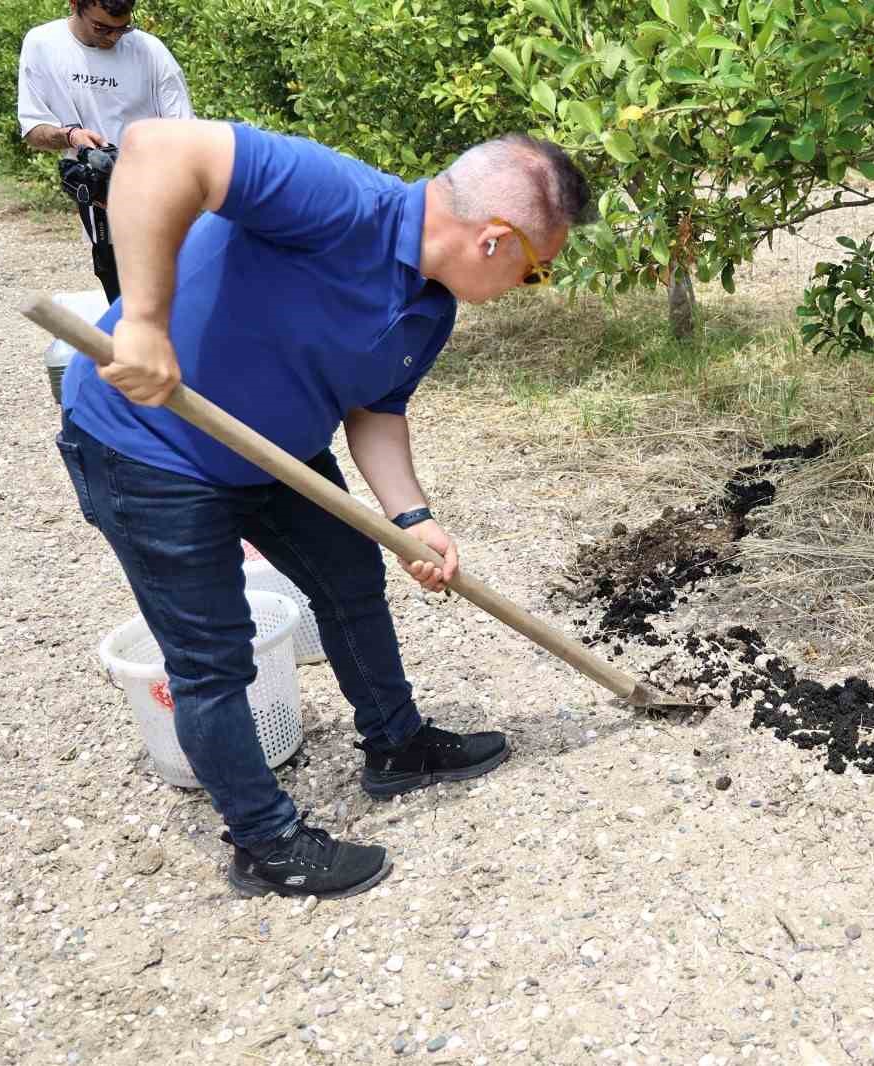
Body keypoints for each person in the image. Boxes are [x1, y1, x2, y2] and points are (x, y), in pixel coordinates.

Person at [53, 116, 591, 900]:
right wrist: (142, 321)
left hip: (278, 452)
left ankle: (397, 746)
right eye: (536, 273)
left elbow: (375, 411)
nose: (525, 291)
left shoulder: (430, 307)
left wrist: (412, 519)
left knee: (349, 578)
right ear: (495, 242)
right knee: (213, 656)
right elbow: (156, 149)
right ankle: (265, 842)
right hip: (149, 446)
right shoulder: (336, 198)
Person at [17, 0, 194, 303]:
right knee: (125, 302)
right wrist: (71, 136)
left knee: (180, 301)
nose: (113, 37)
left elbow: (184, 132)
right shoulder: (42, 44)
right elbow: (33, 130)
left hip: (159, 201)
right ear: (74, 4)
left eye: (123, 28)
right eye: (102, 27)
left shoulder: (149, 50)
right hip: (100, 204)